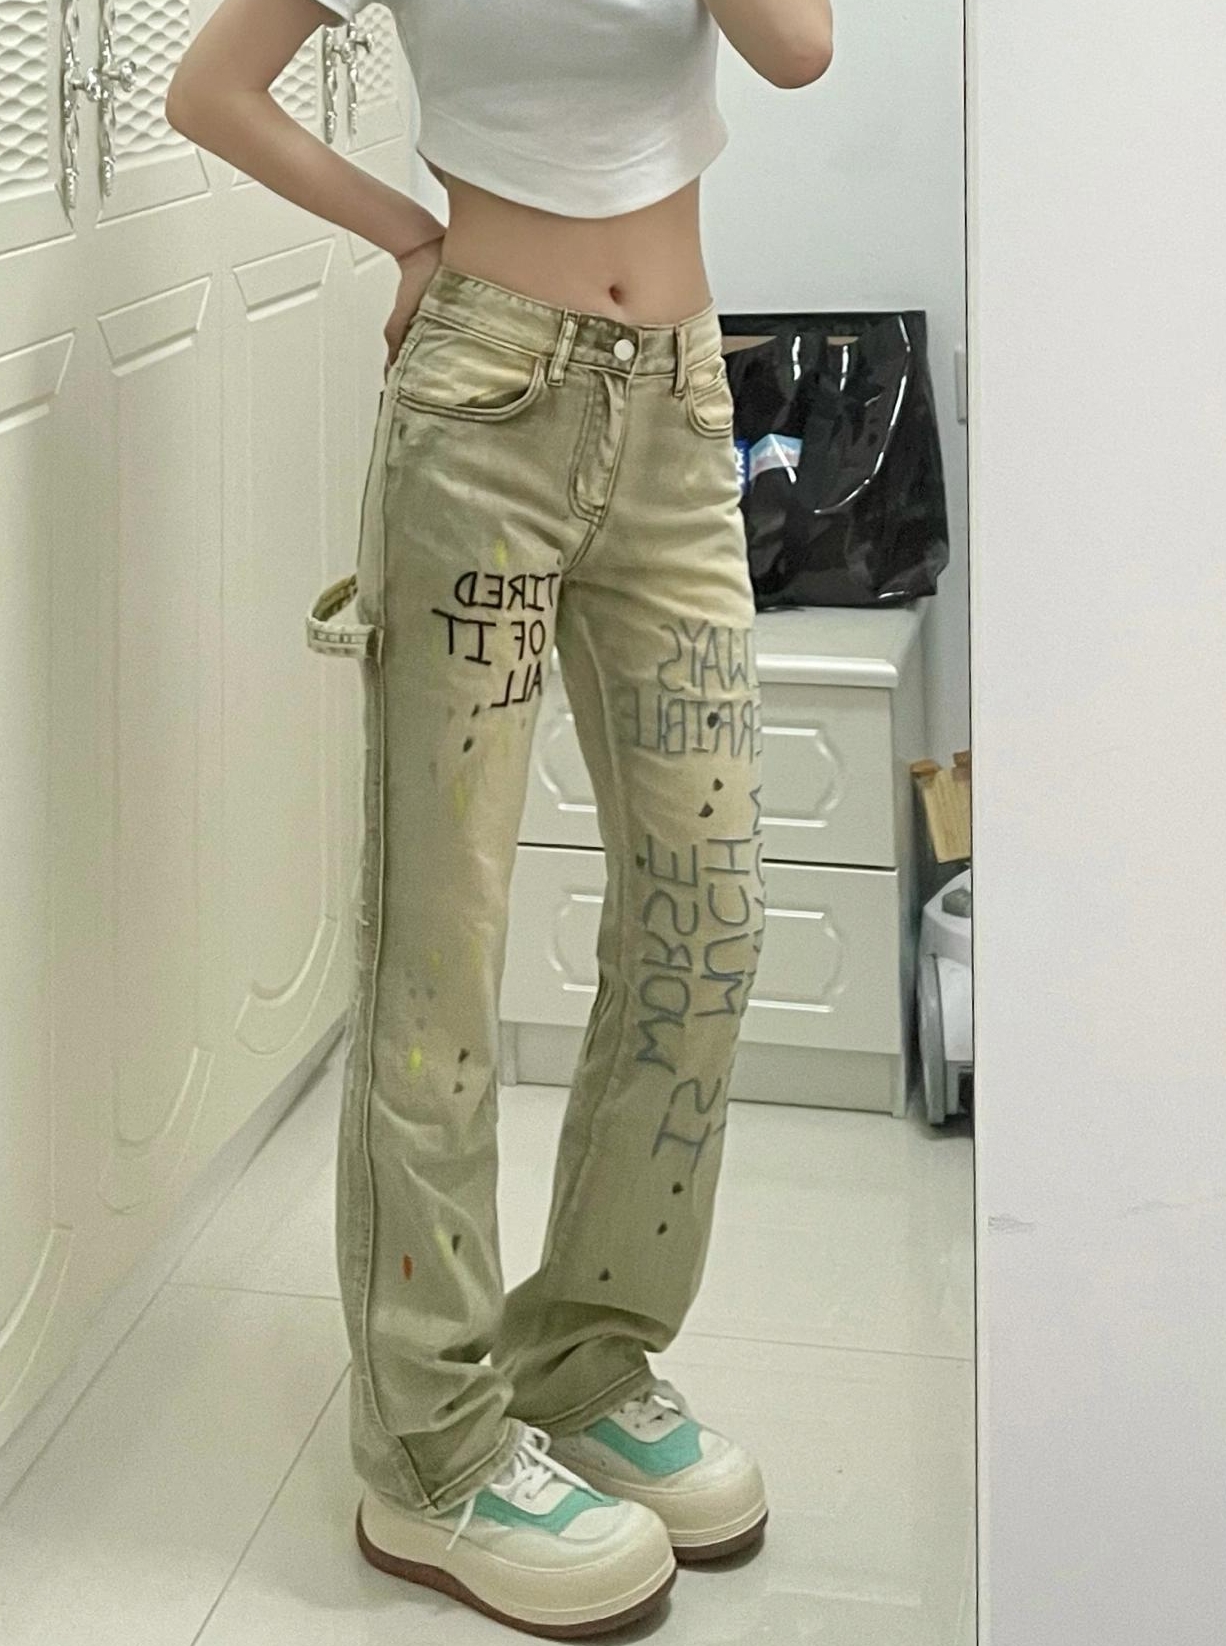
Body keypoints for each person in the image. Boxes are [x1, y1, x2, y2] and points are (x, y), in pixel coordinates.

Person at [166, 1, 832, 1635]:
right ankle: (431, 1444)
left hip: (678, 404)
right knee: (440, 953)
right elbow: (211, 88)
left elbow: (799, 45)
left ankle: (585, 1356)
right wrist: (408, 233)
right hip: (482, 401)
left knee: (709, 914)